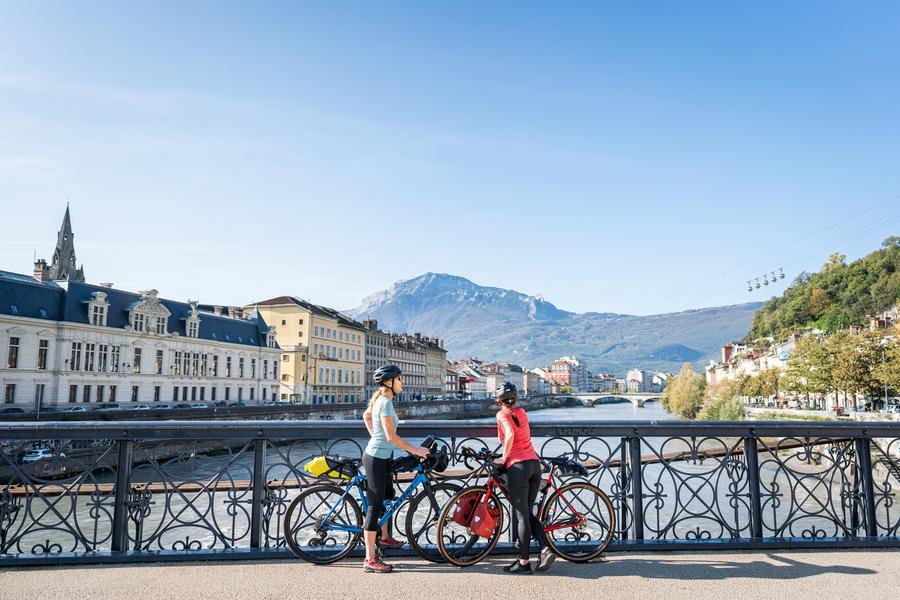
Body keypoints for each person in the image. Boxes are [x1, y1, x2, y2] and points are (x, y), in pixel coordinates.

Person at [361, 364, 430, 573]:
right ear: (390, 382)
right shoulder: (385, 403)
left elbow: (366, 416)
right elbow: (392, 437)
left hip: (382, 456)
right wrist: (415, 449)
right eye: (400, 379)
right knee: (374, 507)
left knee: (387, 496)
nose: (403, 383)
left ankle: (385, 537)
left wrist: (376, 437)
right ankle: (369, 558)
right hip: (375, 458)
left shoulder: (381, 400)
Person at [494, 382, 555, 574]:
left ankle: (524, 563)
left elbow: (510, 433)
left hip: (518, 467)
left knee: (521, 515)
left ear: (498, 401)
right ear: (516, 399)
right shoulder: (522, 412)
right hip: (534, 466)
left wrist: (504, 458)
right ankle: (544, 549)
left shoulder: (501, 414)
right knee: (527, 513)